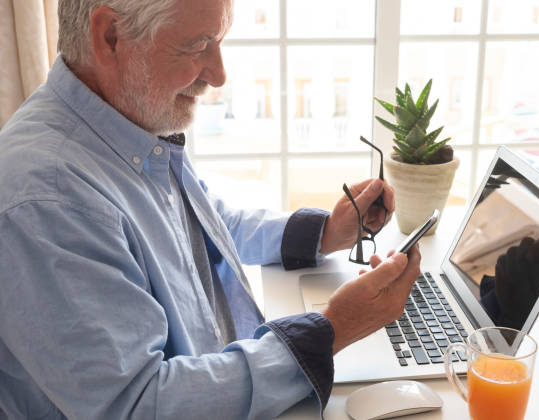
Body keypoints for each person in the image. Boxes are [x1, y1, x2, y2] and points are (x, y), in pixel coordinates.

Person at [0, 0, 421, 419]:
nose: (219, 75)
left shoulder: (122, 124)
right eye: (198, 45)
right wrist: (330, 331)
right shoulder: (50, 199)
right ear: (110, 36)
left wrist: (325, 232)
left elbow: (201, 224)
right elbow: (137, 406)